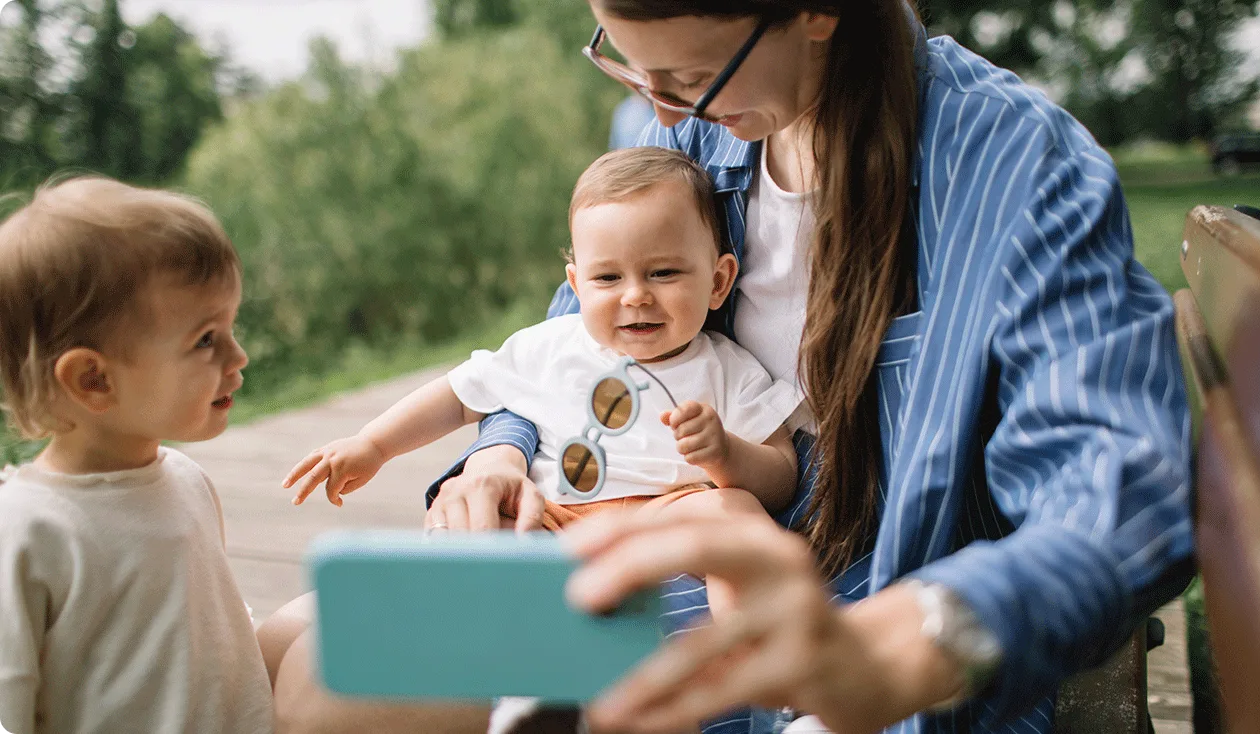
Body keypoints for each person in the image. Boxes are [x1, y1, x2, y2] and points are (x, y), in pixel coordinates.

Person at [271, 1, 1196, 732]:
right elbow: (575, 348)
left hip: (843, 609)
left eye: (692, 73)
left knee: (331, 685)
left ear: (817, 12)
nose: (659, 107)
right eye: (627, 60)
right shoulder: (691, 137)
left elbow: (1123, 487)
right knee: (291, 641)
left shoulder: (1012, 165)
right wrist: (498, 453)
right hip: (635, 526)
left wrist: (914, 642)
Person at [281, 146, 800, 605]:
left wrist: (726, 455)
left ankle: (754, 658)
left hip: (665, 516)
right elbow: (458, 396)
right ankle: (457, 636)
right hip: (552, 517)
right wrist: (373, 445)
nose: (635, 295)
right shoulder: (549, 346)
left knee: (735, 514)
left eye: (663, 273)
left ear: (718, 281)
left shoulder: (726, 368)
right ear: (577, 283)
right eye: (607, 277)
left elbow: (781, 474)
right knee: (476, 524)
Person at [0, 177, 273, 733]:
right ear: (93, 379)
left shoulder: (189, 482)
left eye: (230, 327)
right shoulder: (30, 531)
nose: (237, 355)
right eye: (205, 339)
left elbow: (209, 641)